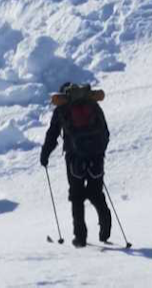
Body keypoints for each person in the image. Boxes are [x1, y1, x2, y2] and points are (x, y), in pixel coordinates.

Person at [40, 82, 112, 247]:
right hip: (96, 157)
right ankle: (105, 231)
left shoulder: (62, 110)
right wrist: (100, 151)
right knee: (96, 193)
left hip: (74, 158)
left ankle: (80, 238)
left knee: (77, 197)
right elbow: (105, 132)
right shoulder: (93, 105)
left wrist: (45, 155)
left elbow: (52, 135)